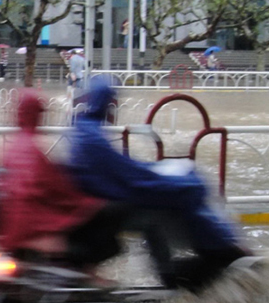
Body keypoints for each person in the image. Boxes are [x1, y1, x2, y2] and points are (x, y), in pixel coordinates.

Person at [68, 79, 251, 290]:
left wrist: (154, 174)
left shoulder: (84, 131)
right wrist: (175, 182)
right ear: (106, 104)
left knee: (167, 199)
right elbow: (128, 177)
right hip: (108, 207)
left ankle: (178, 271)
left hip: (104, 202)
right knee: (157, 215)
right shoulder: (93, 139)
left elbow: (123, 171)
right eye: (113, 105)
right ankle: (172, 277)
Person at [0, 90, 126, 272]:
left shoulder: (10, 149)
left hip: (12, 233)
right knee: (108, 238)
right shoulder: (34, 150)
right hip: (37, 229)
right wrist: (88, 203)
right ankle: (88, 273)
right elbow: (59, 189)